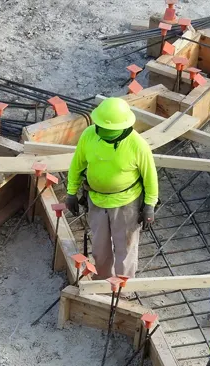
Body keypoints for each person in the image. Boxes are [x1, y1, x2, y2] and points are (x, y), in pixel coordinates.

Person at [65, 97, 158, 280]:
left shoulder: (137, 145)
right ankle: (102, 283)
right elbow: (77, 165)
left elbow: (150, 177)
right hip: (97, 201)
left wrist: (149, 206)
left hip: (126, 204)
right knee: (100, 249)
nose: (106, 131)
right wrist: (71, 193)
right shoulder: (89, 135)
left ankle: (122, 289)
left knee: (125, 250)